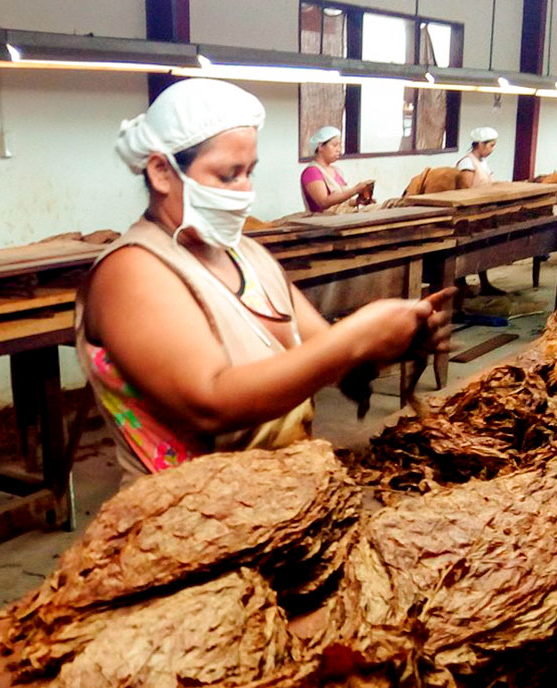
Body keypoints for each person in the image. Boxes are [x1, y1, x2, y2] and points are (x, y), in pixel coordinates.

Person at [77, 79, 454, 481]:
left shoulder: (246, 255)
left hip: (283, 505)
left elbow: (320, 354)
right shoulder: (133, 272)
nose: (244, 192)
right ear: (161, 172)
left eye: (249, 173)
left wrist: (385, 344)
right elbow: (211, 403)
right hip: (191, 523)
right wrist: (356, 337)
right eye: (227, 176)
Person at [455, 126, 505, 295]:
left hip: (483, 211)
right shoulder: (467, 162)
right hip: (469, 213)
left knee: (483, 249)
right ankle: (460, 284)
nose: (492, 149)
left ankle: (485, 283)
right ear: (481, 145)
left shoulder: (482, 162)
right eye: (491, 145)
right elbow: (465, 189)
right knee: (465, 250)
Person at [300, 125, 373, 213]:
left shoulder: (337, 171)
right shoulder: (312, 172)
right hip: (326, 220)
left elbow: (341, 203)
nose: (339, 150)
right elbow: (323, 202)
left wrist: (358, 201)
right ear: (320, 146)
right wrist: (355, 190)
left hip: (342, 215)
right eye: (335, 145)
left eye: (340, 145)